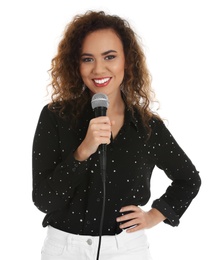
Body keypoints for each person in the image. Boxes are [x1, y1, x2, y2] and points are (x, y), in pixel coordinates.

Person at [32, 10, 201, 260]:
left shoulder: (147, 127)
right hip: (64, 249)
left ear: (127, 61)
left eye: (109, 56)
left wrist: (154, 215)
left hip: (126, 250)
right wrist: (83, 151)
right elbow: (44, 200)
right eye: (87, 59)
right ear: (75, 65)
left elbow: (189, 179)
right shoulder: (55, 116)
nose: (99, 69)